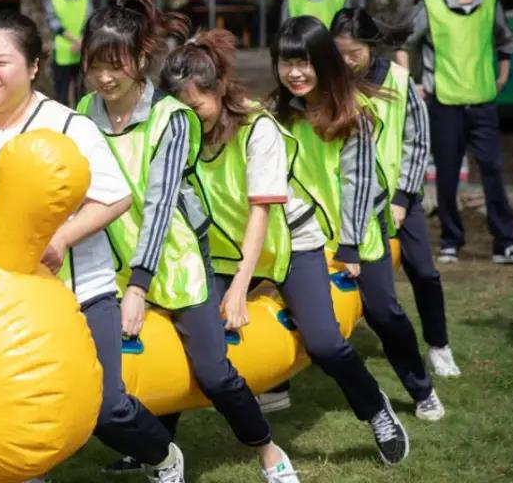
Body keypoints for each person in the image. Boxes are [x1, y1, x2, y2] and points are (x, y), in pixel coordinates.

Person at [0, 11, 187, 483]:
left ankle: (163, 455)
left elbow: (115, 197)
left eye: (1, 61)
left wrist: (62, 237)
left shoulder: (67, 125)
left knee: (103, 406)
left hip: (76, 289)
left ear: (32, 67)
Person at [163, 27, 411, 465]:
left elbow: (261, 212)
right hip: (225, 248)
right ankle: (155, 441)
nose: (188, 115)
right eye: (179, 107)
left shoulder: (257, 127)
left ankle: (376, 409)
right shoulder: (181, 130)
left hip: (291, 243)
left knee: (324, 342)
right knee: (184, 329)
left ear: (218, 88)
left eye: (195, 106)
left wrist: (240, 289)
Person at [77, 0, 298, 483]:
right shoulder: (85, 111)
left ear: (140, 59)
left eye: (115, 65)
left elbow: (160, 207)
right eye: (94, 65)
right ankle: (151, 450)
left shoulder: (172, 118)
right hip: (112, 260)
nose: (104, 78)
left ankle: (266, 448)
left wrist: (139, 286)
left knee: (214, 372)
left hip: (174, 261)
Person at [271, 16, 445, 423]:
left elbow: (360, 183)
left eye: (304, 62)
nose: (295, 73)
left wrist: (349, 245)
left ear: (323, 62)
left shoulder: (353, 114)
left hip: (358, 236)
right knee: (281, 306)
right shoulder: (278, 115)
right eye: (286, 63)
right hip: (306, 239)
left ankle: (421, 388)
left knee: (383, 313)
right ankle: (274, 385)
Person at [332, 8, 461, 378]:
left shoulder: (400, 80)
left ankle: (439, 345)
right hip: (347, 202)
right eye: (339, 53)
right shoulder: (328, 83)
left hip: (397, 197)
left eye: (354, 53)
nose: (346, 61)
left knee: (424, 271)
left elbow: (417, 142)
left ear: (371, 47)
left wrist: (403, 197)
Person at [397, 0, 513, 265]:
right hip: (445, 103)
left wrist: (502, 77)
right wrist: (410, 83)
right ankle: (450, 241)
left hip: (483, 103)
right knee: (446, 175)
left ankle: (505, 243)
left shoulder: (489, 1)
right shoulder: (430, 5)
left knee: (493, 172)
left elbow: (506, 40)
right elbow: (403, 42)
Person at [45, 0, 92, 106]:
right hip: (62, 52)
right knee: (62, 96)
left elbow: (90, 20)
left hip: (82, 51)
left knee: (82, 95)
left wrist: (81, 41)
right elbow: (53, 22)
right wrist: (76, 41)